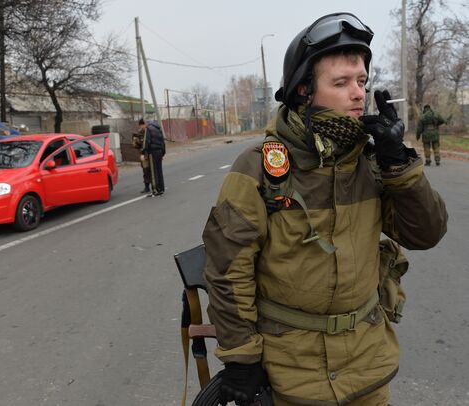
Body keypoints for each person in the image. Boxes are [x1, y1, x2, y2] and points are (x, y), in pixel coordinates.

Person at [202, 12, 448, 406]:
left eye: (361, 81)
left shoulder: (371, 162)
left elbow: (426, 233)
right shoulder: (259, 168)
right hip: (290, 376)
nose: (358, 93)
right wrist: (241, 358)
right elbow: (228, 269)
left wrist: (399, 164)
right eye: (342, 83)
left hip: (367, 367)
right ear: (303, 91)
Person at [139, 118, 166, 196]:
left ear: (145, 124)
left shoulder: (148, 129)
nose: (142, 128)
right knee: (159, 171)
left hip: (153, 152)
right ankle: (161, 189)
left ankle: (155, 190)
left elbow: (146, 141)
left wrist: (143, 153)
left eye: (142, 126)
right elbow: (163, 142)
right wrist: (163, 153)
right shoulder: (158, 128)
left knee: (153, 172)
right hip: (160, 152)